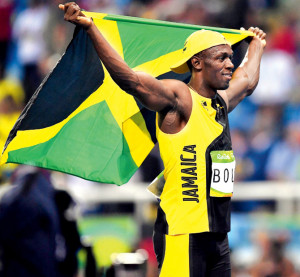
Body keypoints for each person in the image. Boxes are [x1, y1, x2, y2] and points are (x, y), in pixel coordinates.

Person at [59, 2, 266, 276]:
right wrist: (92, 29)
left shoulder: (219, 103)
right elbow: (131, 80)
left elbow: (248, 81)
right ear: (197, 63)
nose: (230, 64)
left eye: (231, 57)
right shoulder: (179, 97)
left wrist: (257, 45)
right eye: (222, 58)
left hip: (216, 234)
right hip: (182, 232)